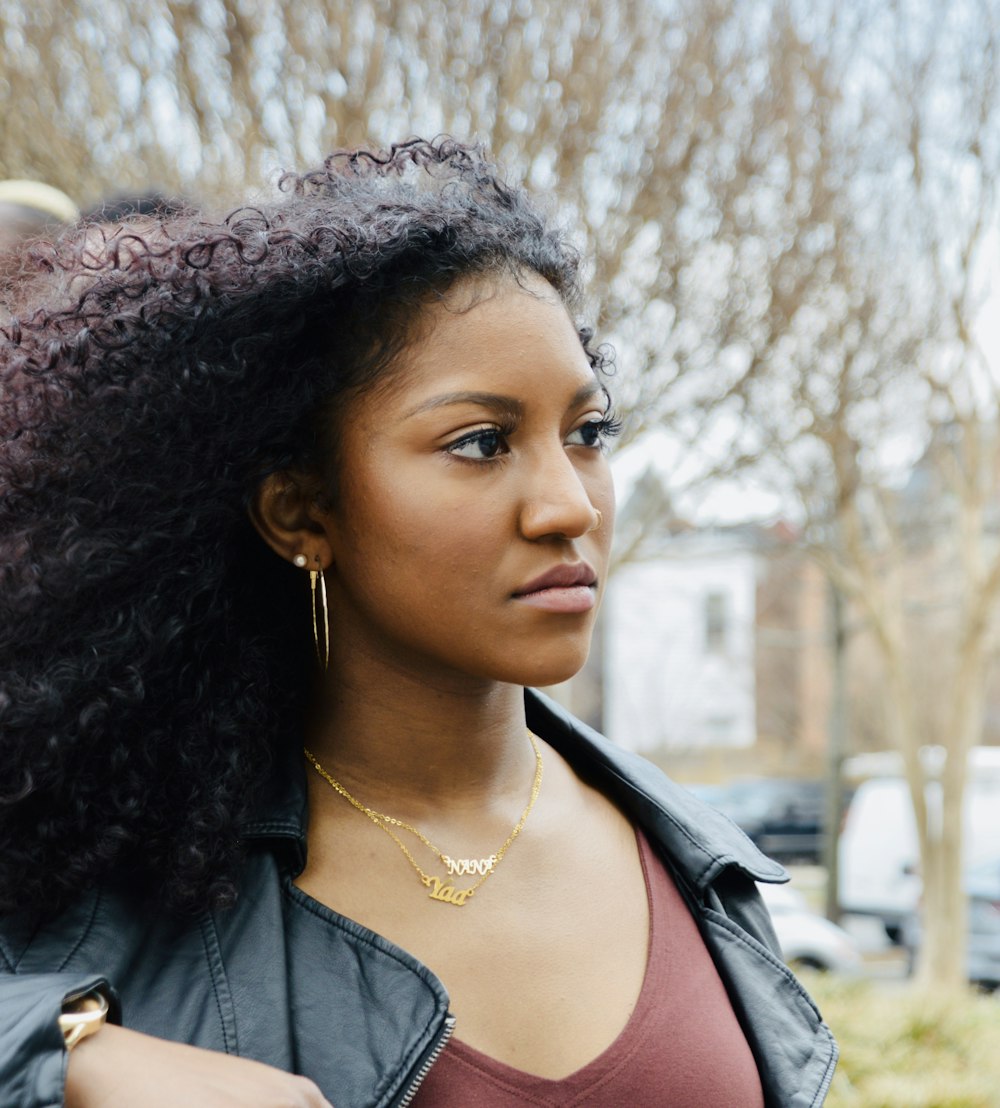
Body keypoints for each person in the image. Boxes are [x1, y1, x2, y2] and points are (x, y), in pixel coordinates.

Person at [0, 138, 837, 1107]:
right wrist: (77, 1057)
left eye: (588, 432)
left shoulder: (699, 859)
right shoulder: (122, 855)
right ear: (301, 512)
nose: (567, 504)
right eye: (480, 443)